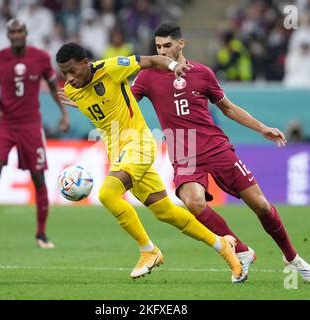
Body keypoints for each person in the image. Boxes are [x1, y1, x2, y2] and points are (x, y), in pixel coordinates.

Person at [129, 22, 310, 283]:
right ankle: (241, 250)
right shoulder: (148, 76)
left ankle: (291, 257)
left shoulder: (203, 73)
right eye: (158, 47)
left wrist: (262, 128)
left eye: (167, 45)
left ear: (181, 44)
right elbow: (126, 102)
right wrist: (91, 101)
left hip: (215, 146)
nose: (162, 51)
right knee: (194, 203)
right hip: (183, 151)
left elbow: (228, 109)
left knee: (262, 206)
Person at [56, 42, 242, 280]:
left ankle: (149, 250)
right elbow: (98, 106)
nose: (69, 79)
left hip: (139, 145)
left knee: (107, 194)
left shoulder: (112, 68)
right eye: (64, 74)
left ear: (85, 63)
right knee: (166, 212)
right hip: (119, 155)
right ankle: (223, 246)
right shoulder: (72, 91)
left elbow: (154, 61)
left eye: (72, 71)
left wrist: (173, 65)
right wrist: (80, 102)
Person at [0, 19, 70, 249]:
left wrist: (64, 114)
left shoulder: (40, 58)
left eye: (20, 31)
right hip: (4, 124)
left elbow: (54, 87)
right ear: (8, 35)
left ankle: (41, 234)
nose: (16, 35)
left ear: (26, 33)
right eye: (12, 32)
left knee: (38, 177)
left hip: (30, 125)